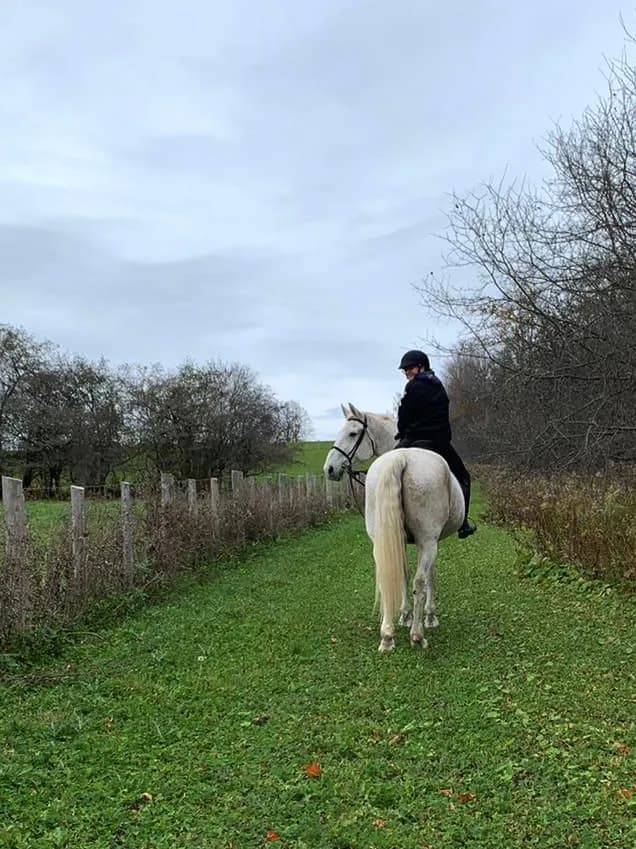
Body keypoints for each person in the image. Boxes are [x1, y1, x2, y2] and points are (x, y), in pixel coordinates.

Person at [395, 349, 476, 539]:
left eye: (409, 368)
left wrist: (403, 434)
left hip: (412, 439)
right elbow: (442, 415)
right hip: (438, 441)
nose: (406, 372)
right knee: (463, 477)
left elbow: (404, 416)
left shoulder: (412, 387)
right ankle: (463, 524)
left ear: (421, 367)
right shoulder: (438, 386)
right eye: (405, 370)